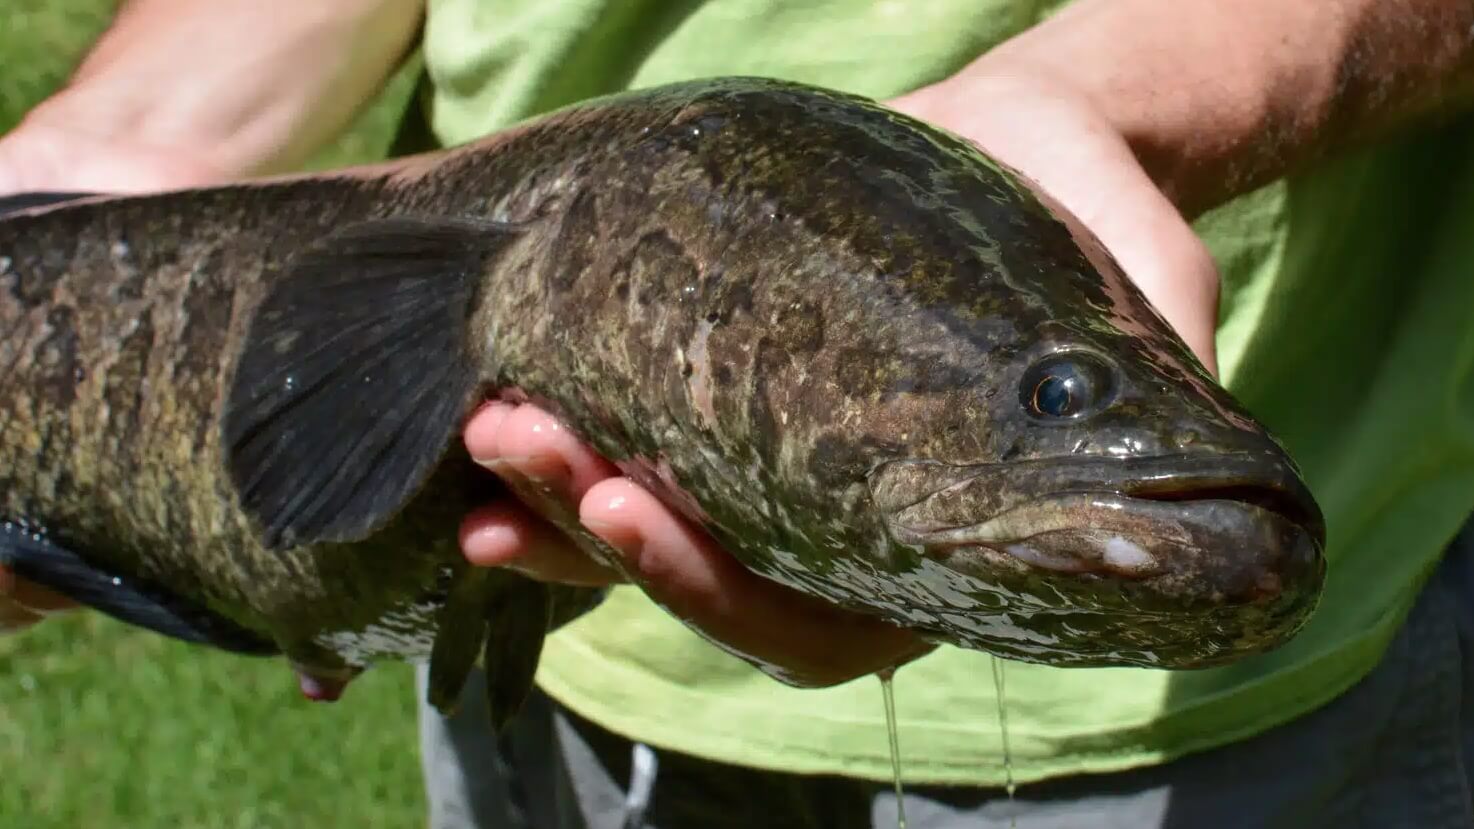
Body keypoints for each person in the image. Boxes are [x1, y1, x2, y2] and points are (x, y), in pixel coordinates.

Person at [5, 0, 1474, 826]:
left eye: (1059, 395)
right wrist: (106, 143)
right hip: (541, 657)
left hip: (1237, 746)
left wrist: (1115, 109)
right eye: (1055, 395)